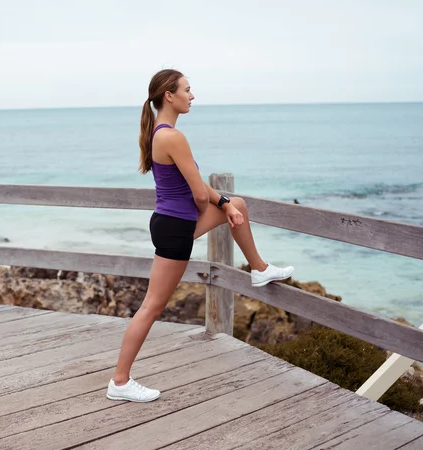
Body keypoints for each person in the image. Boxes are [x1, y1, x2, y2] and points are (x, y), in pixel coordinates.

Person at [106, 69, 295, 403]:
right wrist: (216, 207)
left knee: (237, 204)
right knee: (151, 307)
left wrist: (224, 204)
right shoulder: (172, 137)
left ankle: (259, 268)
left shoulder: (161, 134)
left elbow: (198, 183)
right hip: (176, 227)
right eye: (187, 90)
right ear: (169, 95)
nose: (192, 96)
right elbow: (196, 192)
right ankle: (120, 381)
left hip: (167, 222)